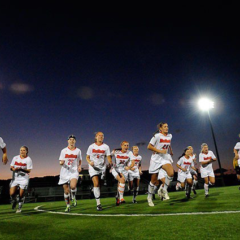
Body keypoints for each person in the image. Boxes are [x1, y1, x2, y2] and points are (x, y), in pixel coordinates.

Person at [147, 122, 174, 206]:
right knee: (153, 180)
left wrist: (171, 150)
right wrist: (160, 151)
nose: (167, 128)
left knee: (171, 173)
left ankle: (164, 189)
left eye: (167, 126)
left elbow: (168, 143)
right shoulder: (157, 136)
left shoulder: (170, 136)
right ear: (160, 129)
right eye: (165, 126)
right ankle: (149, 197)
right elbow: (149, 147)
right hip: (156, 158)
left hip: (165, 158)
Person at [86, 132, 112, 211]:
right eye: (99, 136)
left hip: (102, 168)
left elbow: (108, 157)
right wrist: (90, 162)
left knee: (99, 185)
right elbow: (87, 157)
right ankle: (98, 204)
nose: (101, 137)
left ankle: (93, 190)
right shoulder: (91, 146)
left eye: (102, 136)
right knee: (96, 183)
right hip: (93, 167)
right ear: (96, 137)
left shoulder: (106, 147)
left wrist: (110, 163)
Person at [58, 135, 82, 212]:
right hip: (65, 171)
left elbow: (80, 159)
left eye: (73, 140)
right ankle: (68, 206)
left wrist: (79, 166)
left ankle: (73, 197)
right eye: (70, 139)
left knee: (73, 186)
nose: (71, 141)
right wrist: (61, 163)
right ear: (68, 141)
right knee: (66, 191)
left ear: (75, 141)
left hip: (74, 171)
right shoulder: (63, 151)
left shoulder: (78, 150)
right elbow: (60, 161)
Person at [9, 146, 33, 213]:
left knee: (21, 195)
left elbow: (29, 170)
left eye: (23, 150)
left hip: (24, 179)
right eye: (21, 150)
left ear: (26, 151)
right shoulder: (15, 158)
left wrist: (21, 169)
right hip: (15, 178)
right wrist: (14, 169)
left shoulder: (28, 159)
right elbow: (11, 167)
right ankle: (14, 201)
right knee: (12, 193)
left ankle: (19, 207)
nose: (22, 151)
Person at [111, 141, 134, 205]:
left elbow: (133, 162)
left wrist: (129, 167)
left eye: (127, 145)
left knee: (121, 183)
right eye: (125, 145)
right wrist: (110, 163)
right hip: (116, 169)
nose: (126, 147)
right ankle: (121, 198)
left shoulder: (129, 153)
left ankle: (118, 197)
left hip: (124, 169)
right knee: (122, 180)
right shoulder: (116, 151)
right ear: (121, 145)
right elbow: (109, 156)